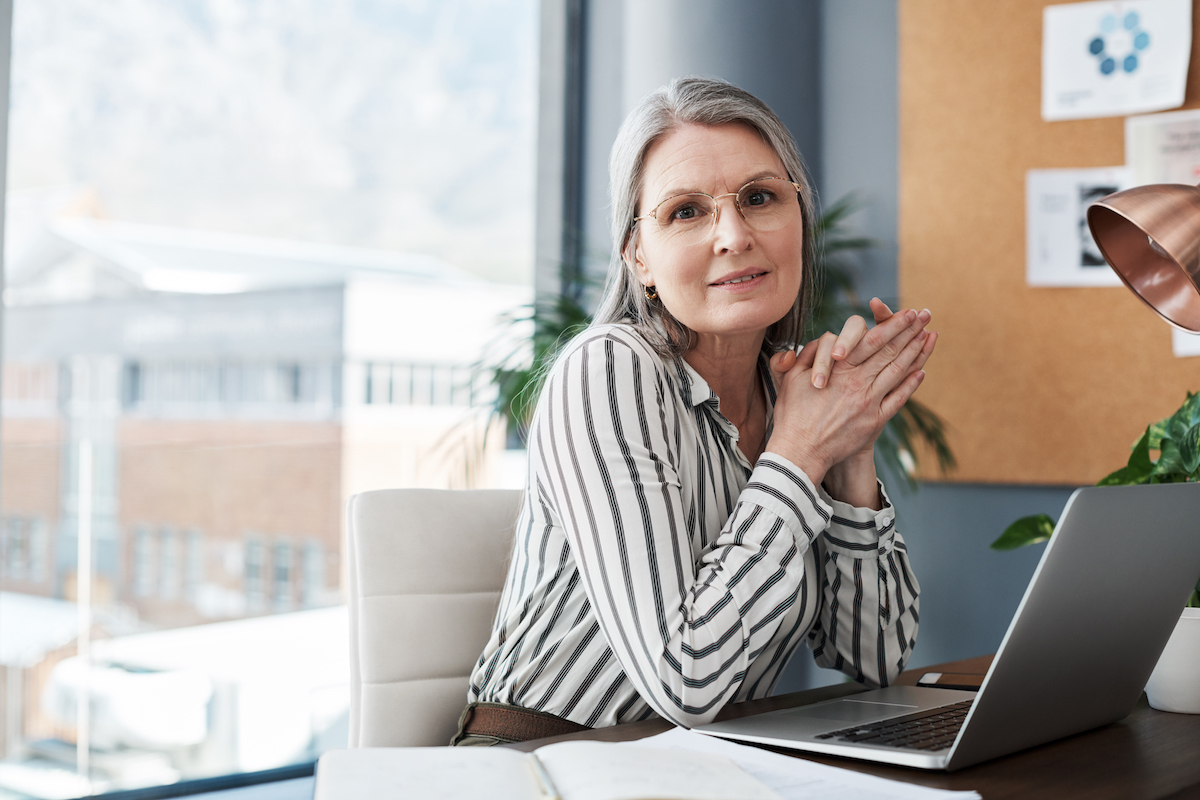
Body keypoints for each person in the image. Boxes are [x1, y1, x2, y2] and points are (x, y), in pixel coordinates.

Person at [453, 76, 936, 746]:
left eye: (760, 197)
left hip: (694, 768)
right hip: (535, 764)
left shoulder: (795, 397)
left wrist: (848, 449)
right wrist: (797, 457)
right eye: (685, 211)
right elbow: (687, 682)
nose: (734, 235)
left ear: (800, 218)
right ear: (638, 257)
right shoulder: (607, 370)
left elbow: (877, 661)